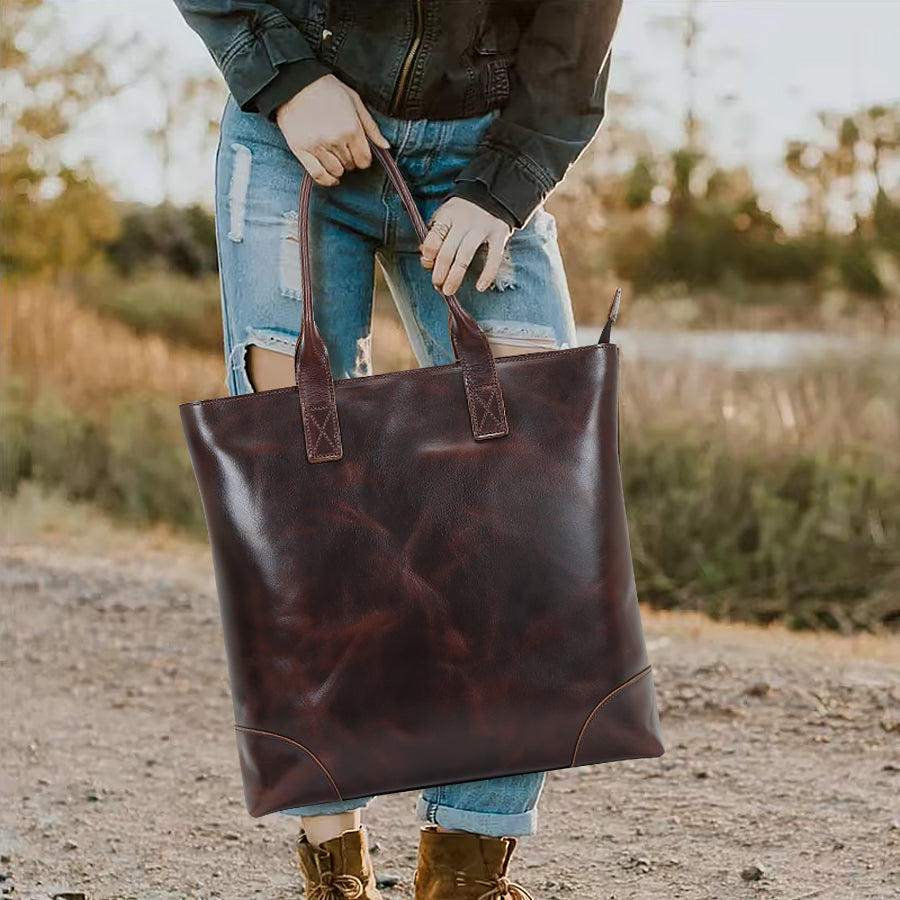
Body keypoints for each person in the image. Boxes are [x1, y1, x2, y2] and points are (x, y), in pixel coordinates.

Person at [172, 2, 623, 897]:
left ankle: (463, 869)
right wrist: (287, 77)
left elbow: (578, 36)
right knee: (299, 489)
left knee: (529, 499)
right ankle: (332, 866)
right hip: (291, 135)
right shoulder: (289, 98)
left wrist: (504, 185)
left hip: (486, 145)